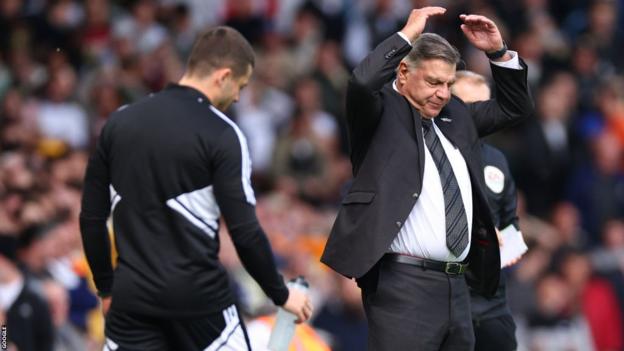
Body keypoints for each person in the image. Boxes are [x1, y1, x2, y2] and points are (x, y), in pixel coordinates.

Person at [80, 26, 312, 351]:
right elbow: (245, 231)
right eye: (240, 86)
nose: (238, 97)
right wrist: (281, 293)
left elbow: (91, 219)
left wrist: (106, 289)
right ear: (223, 76)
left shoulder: (118, 123)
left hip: (132, 303)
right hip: (200, 305)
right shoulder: (223, 134)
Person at [321, 7, 533, 350]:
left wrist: (497, 52)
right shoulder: (377, 113)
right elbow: (361, 81)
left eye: (449, 84)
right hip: (401, 286)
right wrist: (407, 35)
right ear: (403, 72)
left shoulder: (456, 116)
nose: (443, 93)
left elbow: (515, 108)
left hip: (458, 285)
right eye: (433, 81)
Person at [452, 70, 519, 351]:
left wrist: (506, 244)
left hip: (492, 307)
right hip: (446, 305)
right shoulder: (429, 156)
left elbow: (511, 223)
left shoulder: (497, 160)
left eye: (486, 107)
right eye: (471, 107)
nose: (481, 115)